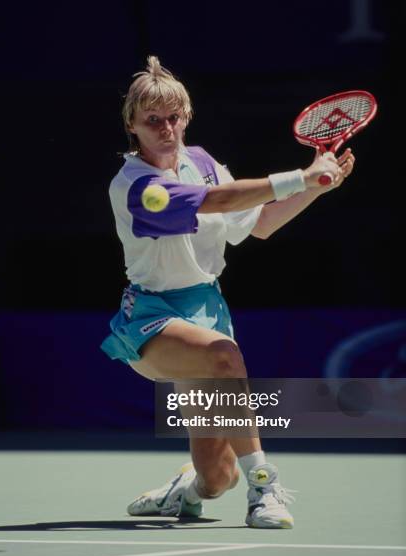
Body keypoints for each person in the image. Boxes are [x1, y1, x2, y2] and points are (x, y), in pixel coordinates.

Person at [101, 56, 355, 528]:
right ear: (132, 125)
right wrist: (298, 176)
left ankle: (185, 489)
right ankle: (265, 488)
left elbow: (257, 223)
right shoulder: (135, 184)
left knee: (216, 478)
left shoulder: (202, 164)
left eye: (173, 117)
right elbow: (217, 201)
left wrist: (317, 187)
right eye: (152, 120)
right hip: (153, 319)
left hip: (208, 310)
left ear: (187, 116)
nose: (165, 127)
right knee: (224, 355)